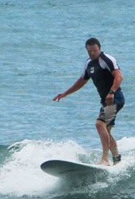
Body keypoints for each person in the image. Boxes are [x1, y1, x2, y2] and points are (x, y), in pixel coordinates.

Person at [53, 38, 125, 166]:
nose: (92, 53)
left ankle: (104, 159)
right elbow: (81, 81)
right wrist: (65, 93)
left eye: (95, 51)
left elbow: (119, 76)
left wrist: (111, 92)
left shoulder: (107, 59)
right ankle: (116, 158)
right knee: (105, 130)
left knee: (99, 124)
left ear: (100, 48)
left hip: (115, 98)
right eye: (90, 51)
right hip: (105, 101)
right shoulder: (88, 64)